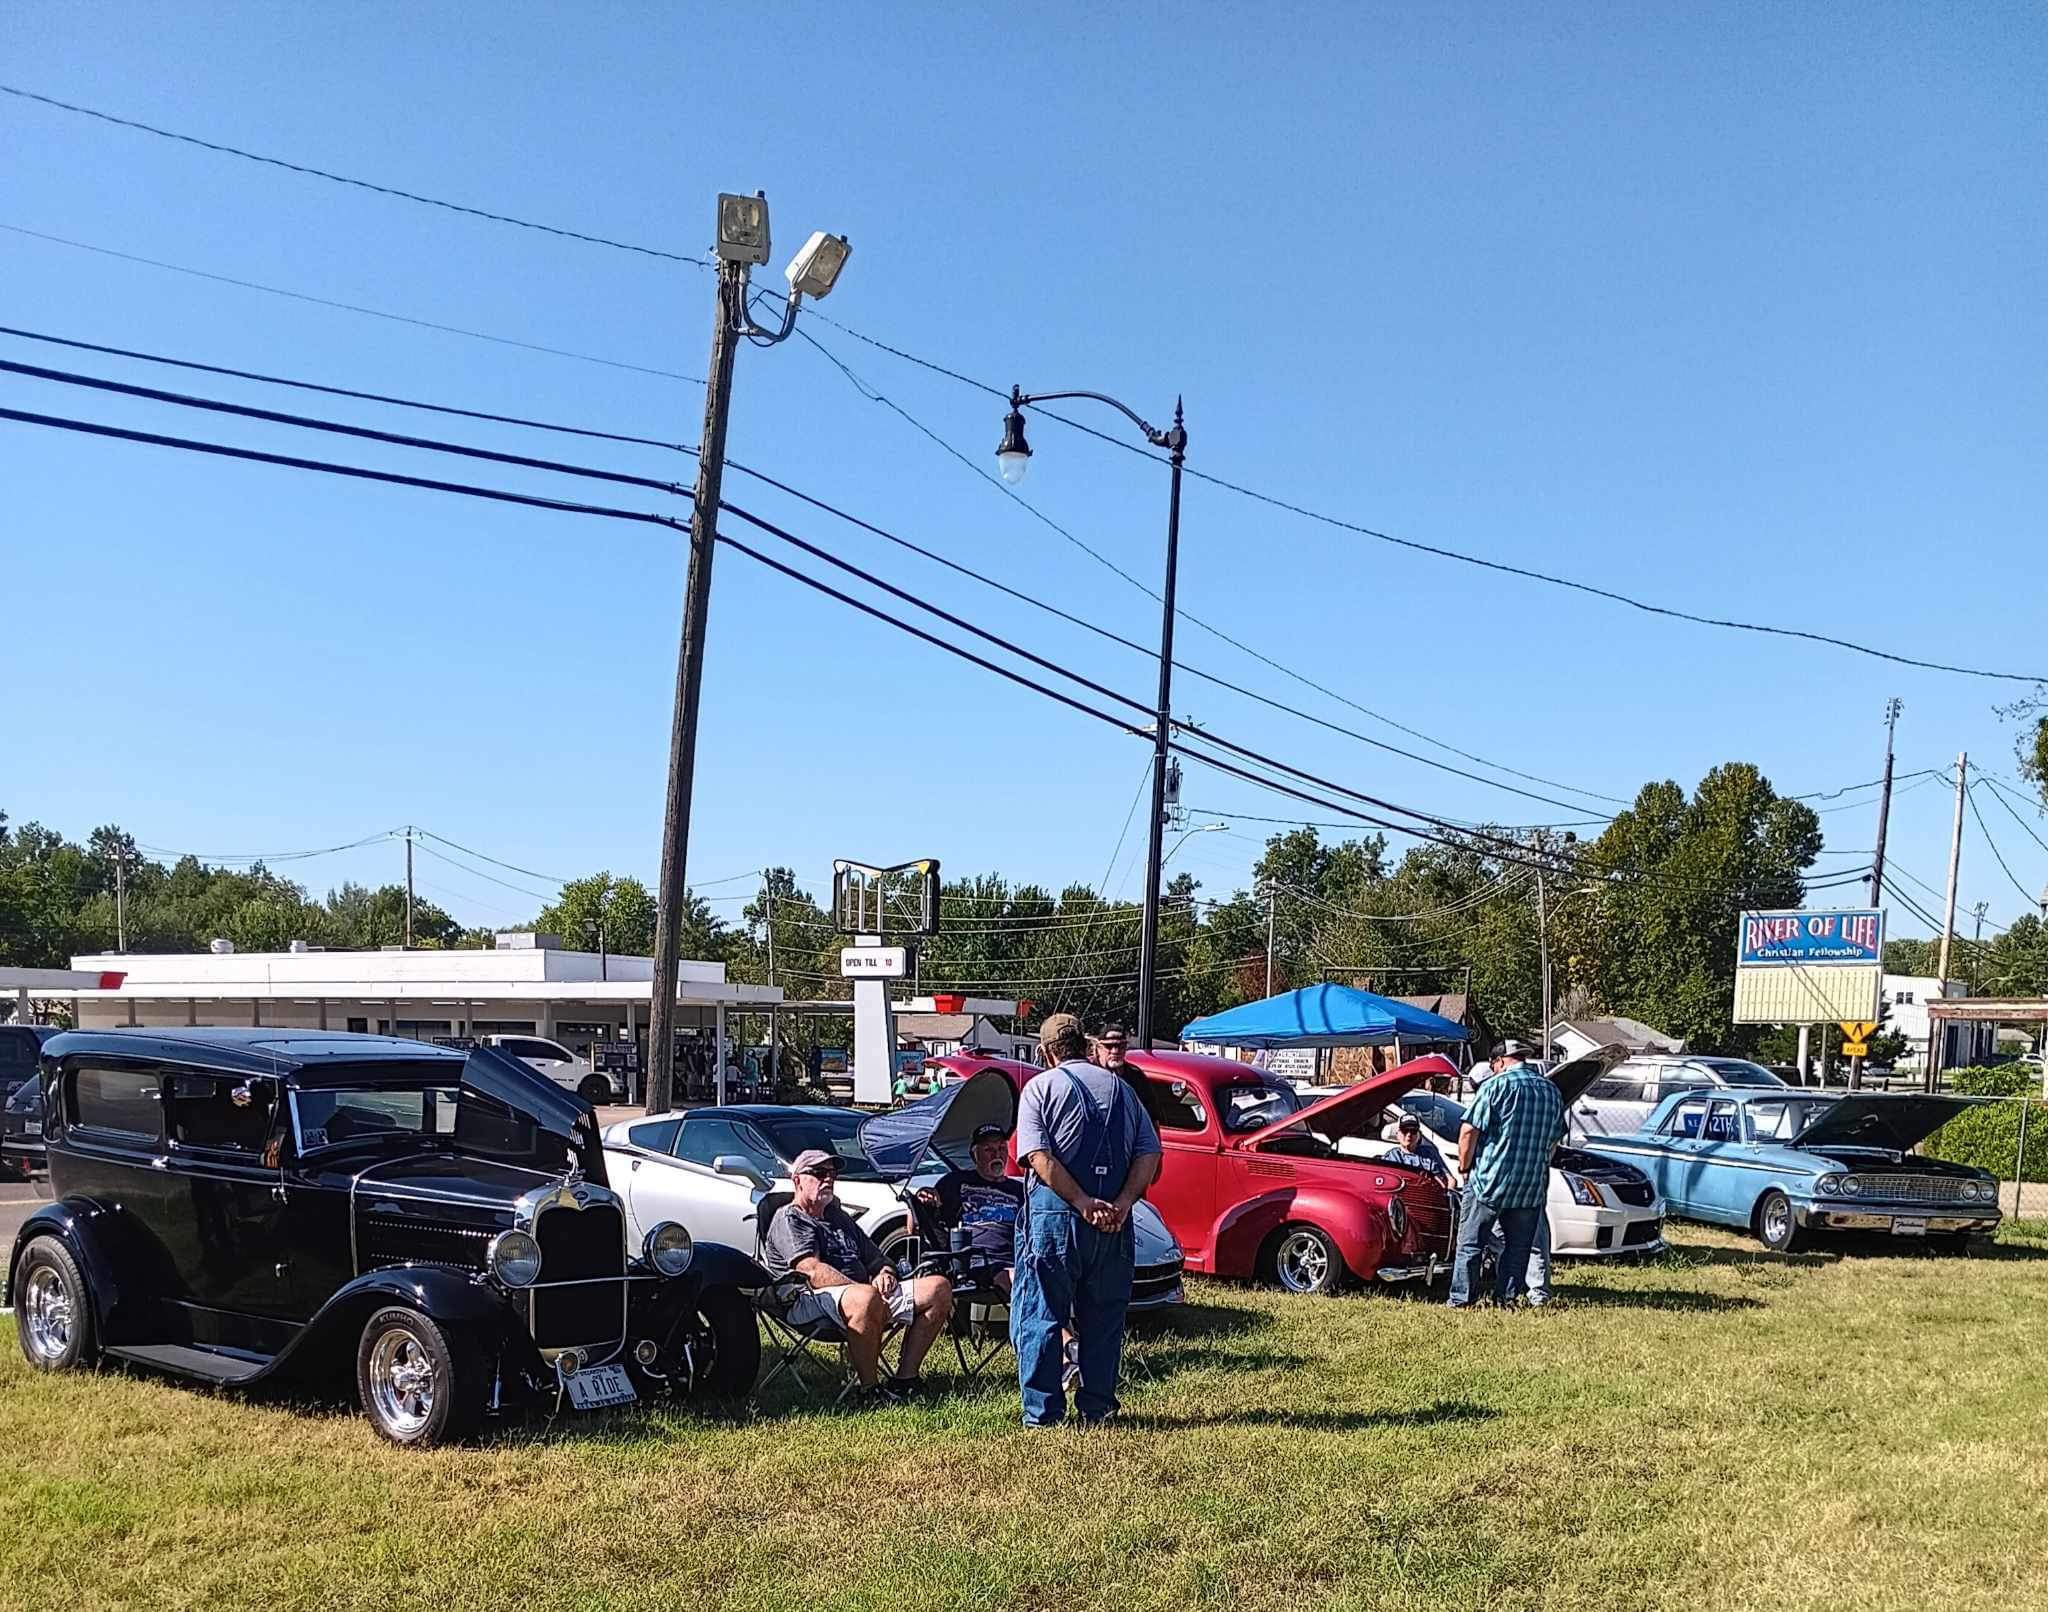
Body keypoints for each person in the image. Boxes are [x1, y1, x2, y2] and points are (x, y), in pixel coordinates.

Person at [1012, 1012, 1161, 1427]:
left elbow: (1038, 1156)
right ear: (1086, 1046)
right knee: (1104, 1318)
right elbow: (1150, 1153)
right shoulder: (1123, 1090)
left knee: (1043, 1315)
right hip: (1113, 1221)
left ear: (1046, 1052)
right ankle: (1098, 1410)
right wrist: (1124, 1202)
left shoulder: (1041, 1087)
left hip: (1056, 1220)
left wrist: (1080, 1201)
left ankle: (1043, 1415)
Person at [763, 1148, 954, 1402]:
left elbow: (878, 1258)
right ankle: (869, 1390)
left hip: (863, 1295)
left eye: (832, 1173)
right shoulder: (790, 1218)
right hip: (808, 1298)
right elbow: (811, 1270)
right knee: (865, 1299)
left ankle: (905, 1379)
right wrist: (867, 1292)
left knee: (938, 1288)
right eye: (819, 1173)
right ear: (797, 1180)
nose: (828, 1179)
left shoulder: (839, 1218)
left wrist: (884, 1273)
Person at [1448, 1041, 1564, 1308]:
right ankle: (1507, 1299)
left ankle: (1461, 1300)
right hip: (1530, 1186)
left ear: (1500, 1061)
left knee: (1471, 1245)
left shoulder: (1495, 1086)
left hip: (1489, 1181)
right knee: (1518, 1248)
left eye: (1493, 1066)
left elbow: (1468, 1131)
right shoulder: (1550, 1090)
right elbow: (1554, 1140)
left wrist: (1464, 1168)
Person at [926, 1123, 1026, 1295]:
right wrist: (923, 1197)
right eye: (988, 1150)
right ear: (975, 1155)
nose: (997, 1155)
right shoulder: (955, 1182)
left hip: (1015, 1258)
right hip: (974, 1261)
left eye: (1001, 1148)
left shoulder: (1019, 1189)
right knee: (1013, 1277)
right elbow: (915, 1224)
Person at [1384, 1112, 1448, 1178]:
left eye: (1413, 1131)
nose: (1409, 1135)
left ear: (1419, 1134)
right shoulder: (1392, 1156)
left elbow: (1449, 1179)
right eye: (1405, 1130)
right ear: (1397, 1134)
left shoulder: (1430, 1153)